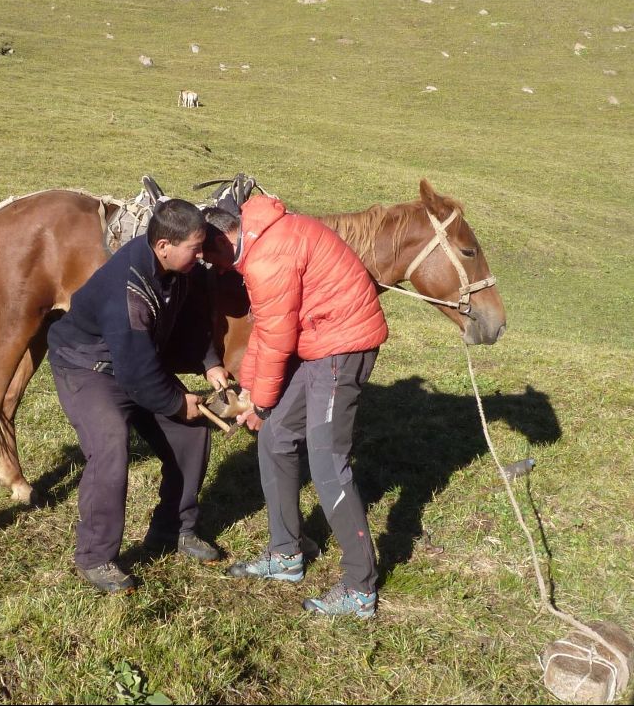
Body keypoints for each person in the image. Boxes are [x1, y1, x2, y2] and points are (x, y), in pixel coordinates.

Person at [202, 195, 389, 618]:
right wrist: (252, 394)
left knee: (328, 465)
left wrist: (259, 403)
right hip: (320, 343)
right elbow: (267, 331)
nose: (213, 268)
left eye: (209, 257)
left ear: (222, 240)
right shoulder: (259, 238)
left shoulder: (268, 258)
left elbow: (278, 338)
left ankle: (361, 588)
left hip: (342, 347)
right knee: (275, 437)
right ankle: (286, 554)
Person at [47, 198, 231, 593]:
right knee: (111, 443)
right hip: (87, 368)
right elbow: (135, 371)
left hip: (135, 360)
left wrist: (210, 363)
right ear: (164, 245)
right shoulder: (127, 291)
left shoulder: (180, 270)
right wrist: (177, 402)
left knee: (191, 433)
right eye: (195, 248)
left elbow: (192, 320)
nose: (202, 256)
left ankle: (173, 528)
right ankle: (96, 556)